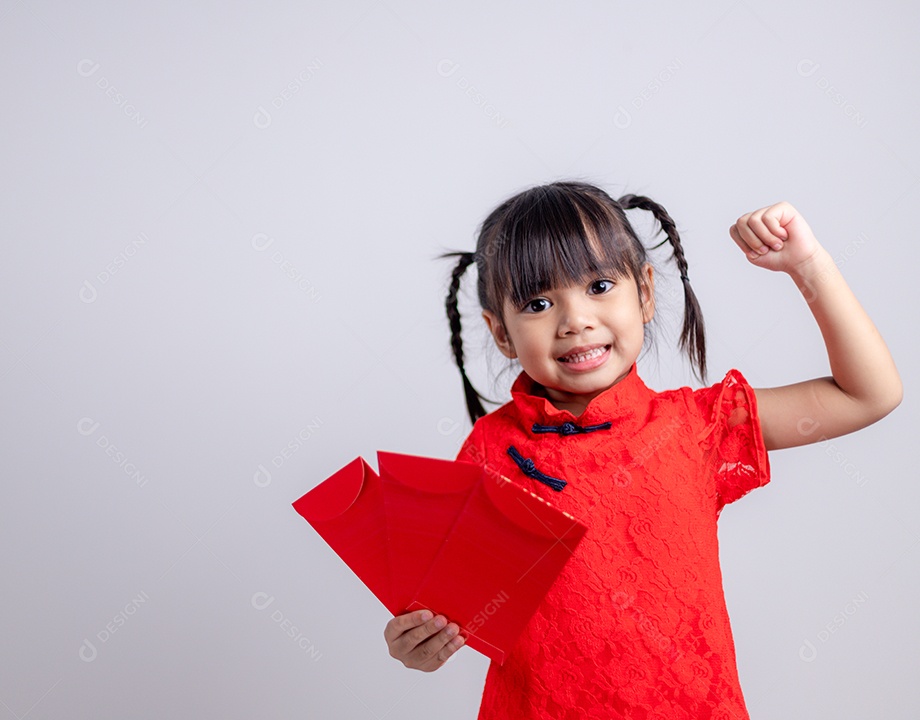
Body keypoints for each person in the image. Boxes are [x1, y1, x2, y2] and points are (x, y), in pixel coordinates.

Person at [382, 180, 902, 718]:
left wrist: (807, 264)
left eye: (600, 286)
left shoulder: (697, 425)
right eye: (538, 302)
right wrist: (417, 643)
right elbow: (446, 610)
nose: (575, 319)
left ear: (646, 293)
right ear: (502, 334)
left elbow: (869, 394)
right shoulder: (489, 452)